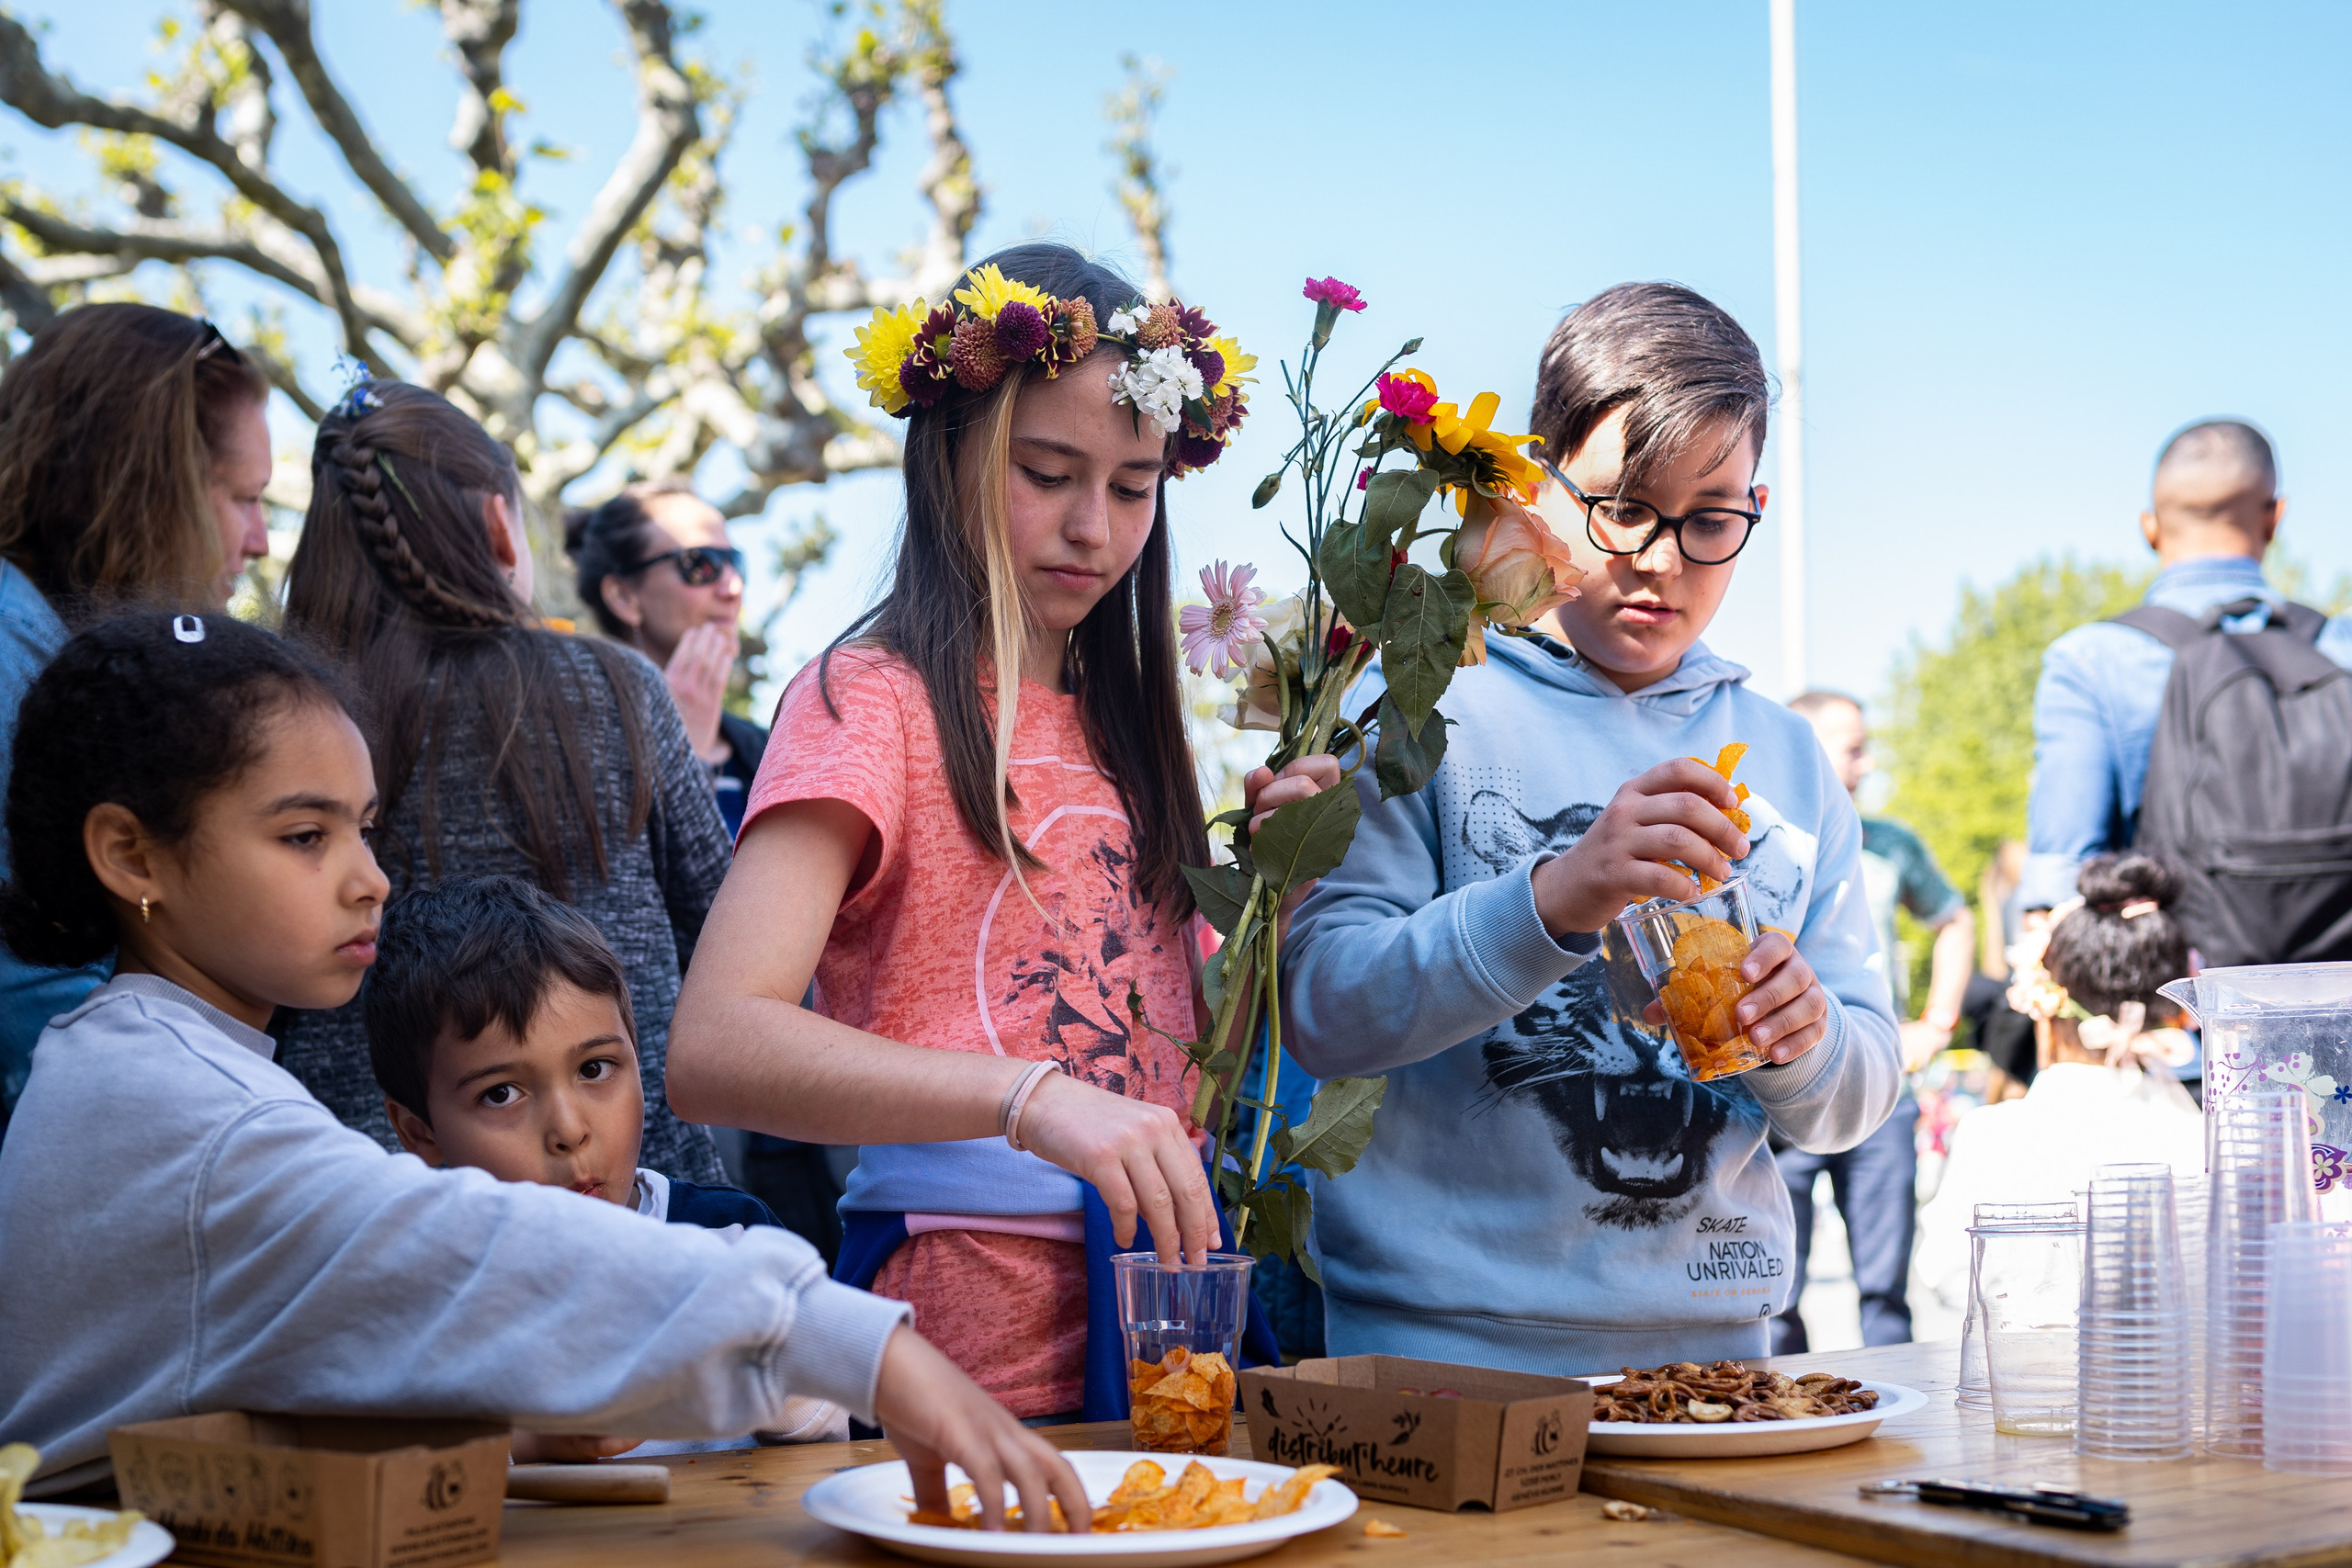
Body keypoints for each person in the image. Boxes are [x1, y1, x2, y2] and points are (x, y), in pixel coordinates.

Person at [0, 613, 1085, 1531]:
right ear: (133, 857)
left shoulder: (146, 1063)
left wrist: (510, 1431)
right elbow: (468, 1249)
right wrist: (859, 1347)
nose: (368, 880)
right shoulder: (185, 1107)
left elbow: (235, 1387)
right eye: (303, 837)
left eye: (364, 831)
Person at [667, 243, 1333, 1421]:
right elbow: (715, 1045)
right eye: (1046, 471)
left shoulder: (1138, 724)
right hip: (959, 1349)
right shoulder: (868, 698)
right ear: (950, 457)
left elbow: (1173, 1058)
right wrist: (1027, 1099)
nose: (1093, 528)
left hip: (1167, 1333)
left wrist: (1272, 895)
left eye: (1133, 489)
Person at [1280, 281, 1903, 1373]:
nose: (1661, 560)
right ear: (1535, 482)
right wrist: (1557, 899)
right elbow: (1326, 1009)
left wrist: (1806, 1043)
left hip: (1720, 1361)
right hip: (1440, 1364)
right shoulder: (1417, 702)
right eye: (1623, 506)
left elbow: (1855, 1097)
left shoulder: (1792, 762)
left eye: (1710, 519)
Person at [276, 379, 731, 1184]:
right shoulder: (612, 684)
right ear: (499, 525)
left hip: (369, 1196)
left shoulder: (288, 718)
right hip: (632, 1183)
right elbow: (727, 930)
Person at [365, 874, 845, 1449]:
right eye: (501, 1094)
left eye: (594, 1069)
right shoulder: (420, 1291)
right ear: (419, 1132)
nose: (569, 1131)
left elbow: (829, 1419)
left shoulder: (728, 1236)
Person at [0, 304, 272, 1133]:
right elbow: (35, 991)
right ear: (153, 487)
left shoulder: (54, 640)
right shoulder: (13, 663)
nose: (260, 539)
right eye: (244, 498)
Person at [2024, 421, 2352, 928]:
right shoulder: (2340, 648)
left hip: (2177, 994)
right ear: (2275, 517)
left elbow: (2062, 884)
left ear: (2149, 527)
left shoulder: (2092, 660)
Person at [1915, 852, 2205, 1314]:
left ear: (2045, 1010)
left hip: (2031, 1374)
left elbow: (1948, 1274)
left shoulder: (1995, 1134)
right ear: (2175, 1011)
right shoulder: (2207, 1138)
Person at [1772, 691, 1973, 1352]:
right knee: (1775, 1300)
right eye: (1852, 745)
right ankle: (1781, 1432)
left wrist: (1937, 1021)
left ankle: (1898, 1447)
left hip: (1882, 1093)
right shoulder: (1760, 834)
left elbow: (1955, 918)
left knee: (1887, 1293)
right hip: (1780, 1098)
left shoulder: (1889, 844)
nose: (1866, 760)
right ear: (1803, 743)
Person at [566, 481, 765, 837]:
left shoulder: (770, 748)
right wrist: (683, 755)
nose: (733, 589)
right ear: (624, 596)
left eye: (736, 563)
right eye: (701, 564)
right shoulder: (568, 737)